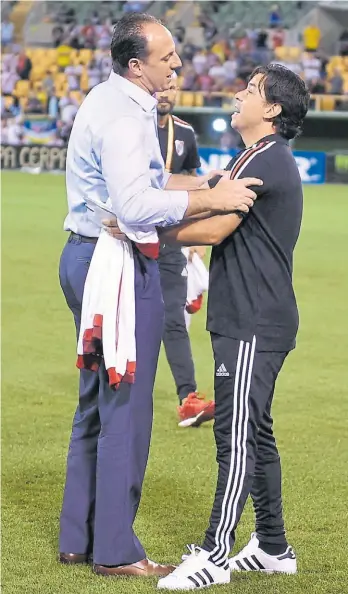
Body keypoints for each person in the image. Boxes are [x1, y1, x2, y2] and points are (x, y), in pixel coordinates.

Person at [58, 11, 261, 580]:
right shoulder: (127, 119)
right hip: (116, 265)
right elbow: (136, 207)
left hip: (83, 255)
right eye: (167, 55)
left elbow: (148, 181)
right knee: (127, 405)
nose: (177, 62)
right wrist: (214, 203)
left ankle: (78, 535)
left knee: (96, 400)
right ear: (135, 64)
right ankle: (117, 551)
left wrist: (203, 180)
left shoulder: (107, 99)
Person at [156, 64, 310, 590]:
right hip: (249, 315)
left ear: (271, 109)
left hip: (254, 319)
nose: (238, 94)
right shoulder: (257, 156)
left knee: (236, 434)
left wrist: (145, 230)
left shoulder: (267, 159)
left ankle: (216, 554)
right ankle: (272, 547)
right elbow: (207, 185)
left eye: (251, 90)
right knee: (256, 433)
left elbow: (218, 227)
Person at [155, 73, 214, 427]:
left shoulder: (185, 134)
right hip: (126, 239)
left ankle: (188, 398)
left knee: (173, 321)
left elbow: (194, 185)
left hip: (168, 242)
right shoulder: (131, 128)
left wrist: (193, 238)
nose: (165, 92)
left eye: (171, 86)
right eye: (160, 85)